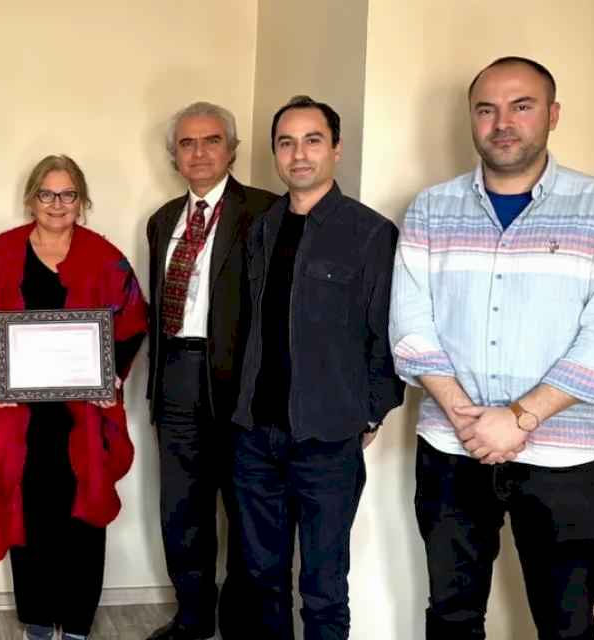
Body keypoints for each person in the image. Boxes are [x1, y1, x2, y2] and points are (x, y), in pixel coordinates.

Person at [390, 56, 594, 640]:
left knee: (566, 622)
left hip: (564, 459)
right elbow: (410, 324)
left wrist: (520, 418)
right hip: (451, 451)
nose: (502, 122)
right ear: (471, 119)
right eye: (486, 109)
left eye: (521, 106)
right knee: (451, 615)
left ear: (552, 115)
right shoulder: (431, 208)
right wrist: (470, 419)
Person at [0, 155, 148, 640]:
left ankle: (77, 622)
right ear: (31, 198)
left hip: (83, 414)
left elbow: (132, 323)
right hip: (19, 414)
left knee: (84, 513)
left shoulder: (104, 257)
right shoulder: (0, 254)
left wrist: (110, 374)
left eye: (68, 194)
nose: (57, 204)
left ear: (82, 200)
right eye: (46, 194)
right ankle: (37, 619)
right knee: (27, 512)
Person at [230, 95, 404, 639]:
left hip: (326, 441)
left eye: (312, 140)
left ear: (336, 149)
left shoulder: (369, 233)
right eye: (286, 143)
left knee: (324, 589)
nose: (298, 154)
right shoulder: (261, 228)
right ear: (275, 153)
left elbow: (388, 332)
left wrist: (371, 412)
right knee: (262, 579)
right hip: (256, 436)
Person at [144, 102, 277, 640]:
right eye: (187, 143)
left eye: (211, 140)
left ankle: (240, 625)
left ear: (232, 150)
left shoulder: (265, 210)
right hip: (175, 374)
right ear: (174, 155)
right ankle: (192, 619)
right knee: (182, 509)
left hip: (240, 383)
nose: (199, 152)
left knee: (246, 510)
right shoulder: (162, 220)